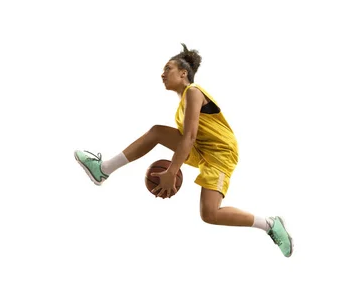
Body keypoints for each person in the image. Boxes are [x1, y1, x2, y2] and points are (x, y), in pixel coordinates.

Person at [73, 43, 293, 258]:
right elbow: (188, 138)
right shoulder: (182, 102)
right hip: (202, 149)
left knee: (210, 214)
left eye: (167, 69)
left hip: (220, 153)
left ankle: (270, 224)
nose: (162, 74)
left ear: (183, 73)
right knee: (157, 132)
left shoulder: (194, 92)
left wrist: (171, 171)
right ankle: (103, 169)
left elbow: (189, 137)